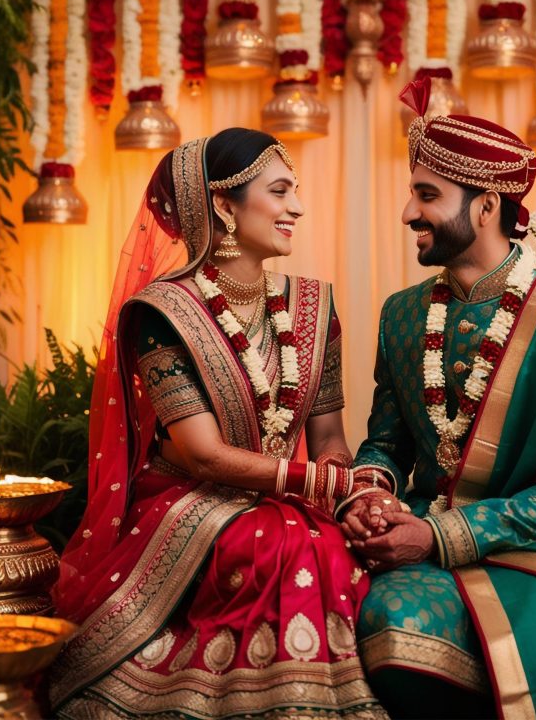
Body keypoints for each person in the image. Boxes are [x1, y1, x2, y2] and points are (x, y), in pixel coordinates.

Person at [340, 79, 536, 720]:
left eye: (426, 196)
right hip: (413, 528)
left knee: (394, 623)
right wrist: (371, 497)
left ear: (487, 206)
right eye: (412, 193)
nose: (408, 213)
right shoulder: (403, 315)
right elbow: (384, 443)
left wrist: (438, 537)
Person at [49, 130, 387, 719]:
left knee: (340, 542)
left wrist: (350, 490)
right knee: (281, 547)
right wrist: (326, 484)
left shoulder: (314, 306)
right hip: (194, 497)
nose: (297, 208)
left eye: (296, 192)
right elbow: (201, 454)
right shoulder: (164, 314)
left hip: (294, 492)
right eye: (279, 191)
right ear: (225, 206)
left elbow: (329, 438)